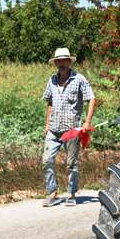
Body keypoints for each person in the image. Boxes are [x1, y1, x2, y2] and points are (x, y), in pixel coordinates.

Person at [41, 47, 96, 207]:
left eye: (64, 60)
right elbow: (49, 102)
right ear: (56, 63)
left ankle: (71, 193)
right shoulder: (51, 80)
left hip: (71, 129)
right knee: (46, 160)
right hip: (53, 128)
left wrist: (87, 122)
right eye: (58, 61)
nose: (61, 63)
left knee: (71, 163)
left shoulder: (79, 79)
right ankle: (52, 193)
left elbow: (91, 99)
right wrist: (46, 124)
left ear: (69, 61)